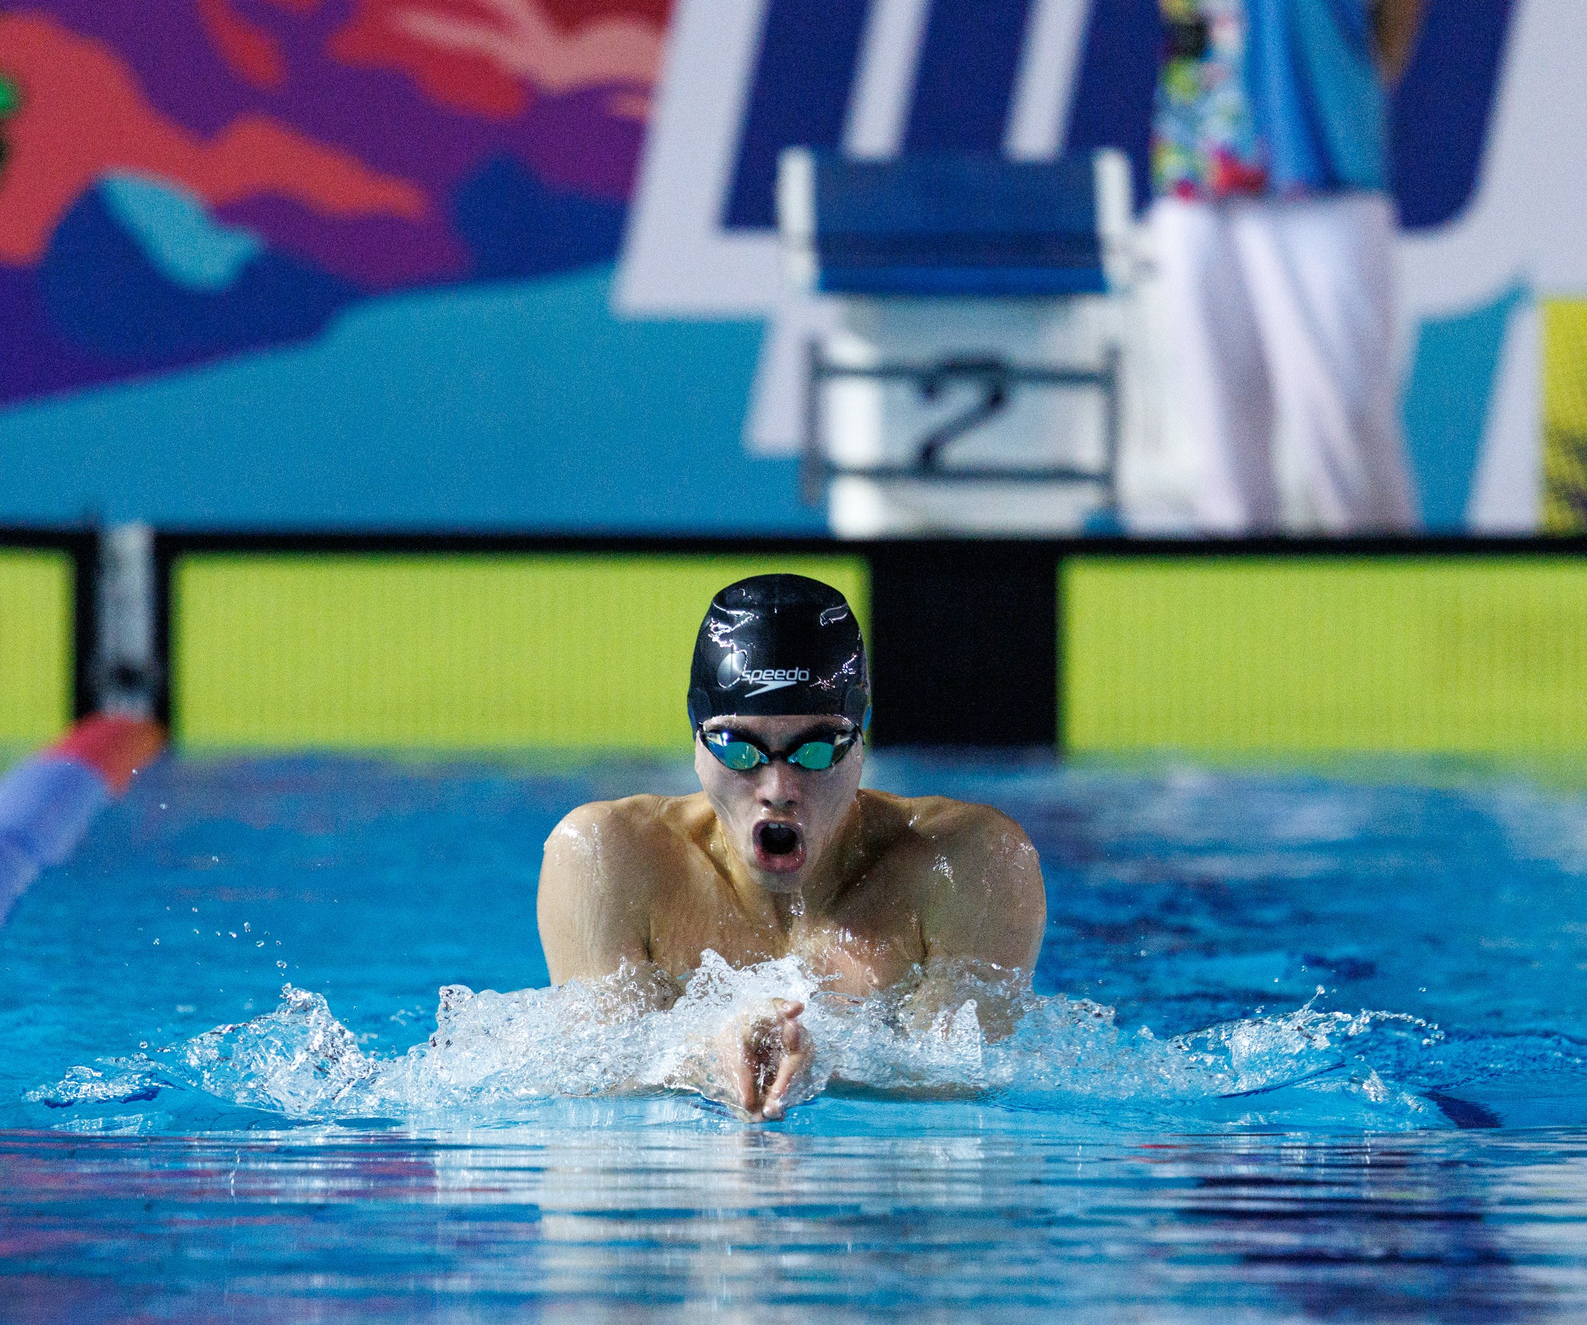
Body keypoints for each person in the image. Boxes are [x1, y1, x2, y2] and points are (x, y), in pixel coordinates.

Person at [537, 574, 1046, 1120]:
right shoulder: (609, 857)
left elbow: (965, 1082)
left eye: (817, 749)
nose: (778, 789)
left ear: (861, 740)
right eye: (739, 750)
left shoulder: (968, 863)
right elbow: (594, 1073)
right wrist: (701, 1056)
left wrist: (829, 1060)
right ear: (696, 741)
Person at [1135, 0, 1426, 533]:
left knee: (1345, 423)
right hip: (1198, 153)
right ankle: (1236, 603)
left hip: (1321, 152)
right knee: (1216, 436)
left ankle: (1387, 599)